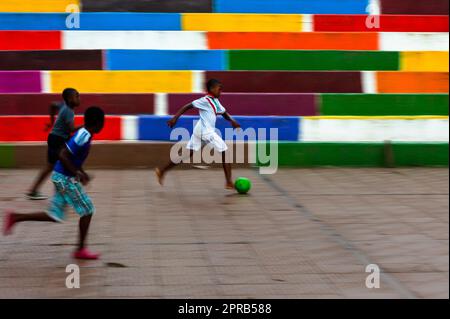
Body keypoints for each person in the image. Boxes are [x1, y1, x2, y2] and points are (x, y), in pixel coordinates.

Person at [4, 107, 105, 260]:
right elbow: (63, 154)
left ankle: (16, 217)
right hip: (65, 178)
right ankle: (80, 249)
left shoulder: (85, 133)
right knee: (87, 210)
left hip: (61, 176)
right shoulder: (83, 136)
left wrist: (81, 172)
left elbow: (73, 157)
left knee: (55, 215)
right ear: (99, 123)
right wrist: (77, 173)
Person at [156, 79, 241, 189]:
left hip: (200, 129)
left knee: (187, 153)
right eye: (219, 89)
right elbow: (188, 106)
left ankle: (162, 171)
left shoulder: (215, 101)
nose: (221, 91)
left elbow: (224, 113)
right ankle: (229, 182)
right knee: (224, 151)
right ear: (211, 89)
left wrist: (232, 121)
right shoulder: (205, 100)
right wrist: (175, 118)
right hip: (206, 131)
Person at [27, 88, 82, 200]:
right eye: (77, 96)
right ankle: (63, 193)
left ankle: (33, 191)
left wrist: (52, 122)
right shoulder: (69, 111)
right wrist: (86, 125)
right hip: (58, 140)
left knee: (53, 166)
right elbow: (71, 129)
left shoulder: (63, 105)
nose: (79, 98)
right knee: (65, 164)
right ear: (70, 99)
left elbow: (53, 105)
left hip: (55, 138)